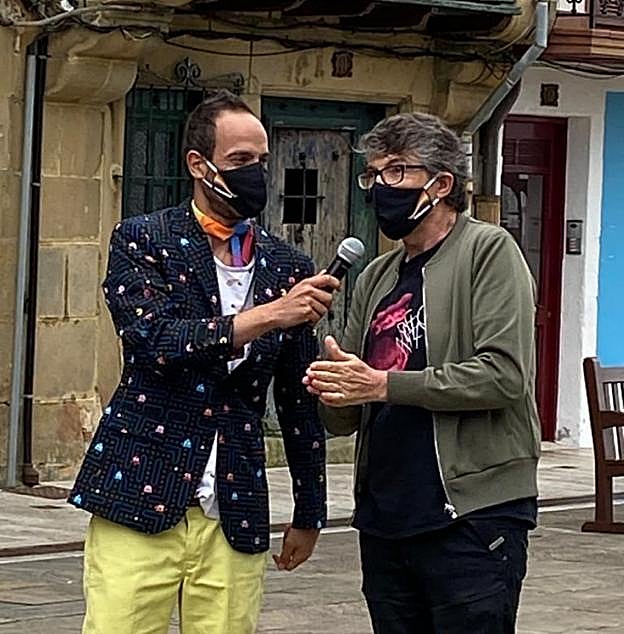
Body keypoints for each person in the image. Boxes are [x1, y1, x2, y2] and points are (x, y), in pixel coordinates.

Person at [69, 89, 339, 634]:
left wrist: (310, 509)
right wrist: (269, 315)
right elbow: (155, 341)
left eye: (261, 160)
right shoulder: (145, 239)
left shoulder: (287, 265)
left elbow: (297, 399)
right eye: (240, 160)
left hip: (235, 505)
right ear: (199, 164)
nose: (255, 172)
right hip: (139, 488)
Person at [305, 112, 540, 634]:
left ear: (442, 184)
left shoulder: (488, 251)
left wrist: (383, 384)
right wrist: (331, 386)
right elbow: (347, 417)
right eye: (372, 175)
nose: (379, 188)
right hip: (387, 516)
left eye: (395, 172)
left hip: (471, 516)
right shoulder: (377, 276)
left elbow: (504, 375)